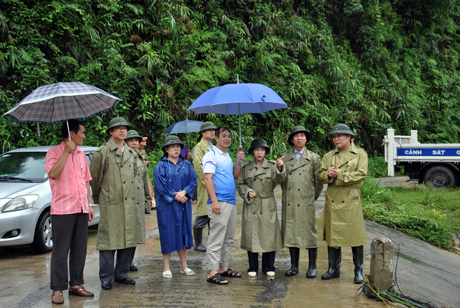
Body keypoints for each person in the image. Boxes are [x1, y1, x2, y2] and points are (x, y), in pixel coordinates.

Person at [45, 119, 95, 304]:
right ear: (71, 134)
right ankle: (57, 289)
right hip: (62, 210)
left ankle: (76, 284)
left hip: (81, 207)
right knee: (60, 250)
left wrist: (89, 206)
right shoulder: (54, 152)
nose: (84, 136)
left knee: (80, 249)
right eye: (82, 132)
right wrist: (66, 152)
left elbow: (86, 181)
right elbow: (53, 174)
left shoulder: (82, 154)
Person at [90, 117, 141, 290]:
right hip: (110, 202)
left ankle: (122, 273)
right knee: (108, 240)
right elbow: (94, 180)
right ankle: (106, 276)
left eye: (124, 128)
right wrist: (100, 198)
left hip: (129, 201)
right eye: (117, 128)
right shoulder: (102, 152)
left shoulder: (132, 153)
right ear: (110, 132)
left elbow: (135, 176)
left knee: (128, 238)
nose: (122, 130)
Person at [317, 123, 368, 283]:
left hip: (351, 197)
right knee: (333, 235)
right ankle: (333, 269)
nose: (336, 139)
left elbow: (361, 174)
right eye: (334, 136)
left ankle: (358, 270)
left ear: (349, 137)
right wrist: (329, 175)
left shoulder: (360, 154)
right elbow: (321, 174)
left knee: (355, 235)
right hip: (333, 196)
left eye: (339, 136)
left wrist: (340, 174)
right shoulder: (329, 155)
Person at [236, 138, 285, 278]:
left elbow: (281, 179)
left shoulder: (272, 166)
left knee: (269, 235)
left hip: (267, 203)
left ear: (265, 152)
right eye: (256, 150)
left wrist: (280, 168)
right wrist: (247, 192)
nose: (259, 152)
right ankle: (252, 267)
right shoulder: (246, 167)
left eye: (262, 150)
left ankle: (269, 266)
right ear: (252, 152)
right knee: (252, 235)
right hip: (252, 204)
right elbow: (240, 183)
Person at [203, 126, 245, 285]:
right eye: (224, 136)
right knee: (216, 238)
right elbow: (208, 179)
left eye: (229, 136)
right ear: (216, 138)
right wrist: (214, 201)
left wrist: (238, 162)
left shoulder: (226, 156)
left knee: (228, 238)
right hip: (218, 202)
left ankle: (223, 268)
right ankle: (212, 272)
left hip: (231, 201)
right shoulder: (211, 155)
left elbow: (234, 176)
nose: (227, 139)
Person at [281, 126, 324, 278]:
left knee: (309, 234)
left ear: (306, 139)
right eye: (296, 136)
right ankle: (294, 266)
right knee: (292, 232)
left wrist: (311, 198)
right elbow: (280, 180)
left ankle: (312, 266)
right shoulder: (284, 158)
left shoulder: (314, 158)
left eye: (302, 135)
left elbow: (318, 182)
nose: (299, 138)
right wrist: (279, 169)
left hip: (306, 202)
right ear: (292, 139)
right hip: (290, 202)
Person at [154, 136, 197, 278]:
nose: (176, 149)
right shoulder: (161, 166)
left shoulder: (186, 165)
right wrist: (175, 196)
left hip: (184, 204)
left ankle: (184, 265)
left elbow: (193, 180)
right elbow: (161, 186)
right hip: (167, 207)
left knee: (183, 232)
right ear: (166, 149)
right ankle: (166, 267)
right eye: (172, 147)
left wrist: (185, 192)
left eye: (178, 146)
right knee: (167, 233)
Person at [125, 129, 152, 272]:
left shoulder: (141, 157)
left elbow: (145, 181)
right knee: (126, 235)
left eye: (136, 140)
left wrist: (148, 200)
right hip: (127, 202)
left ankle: (129, 262)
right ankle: (123, 264)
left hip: (139, 200)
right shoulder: (123, 157)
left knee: (136, 234)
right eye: (131, 140)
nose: (134, 143)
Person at [192, 121, 217, 251]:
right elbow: (198, 166)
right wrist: (207, 182)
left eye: (213, 130)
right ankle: (198, 243)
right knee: (203, 214)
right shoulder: (199, 147)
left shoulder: (213, 146)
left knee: (212, 216)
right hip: (206, 184)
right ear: (202, 133)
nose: (212, 132)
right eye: (209, 130)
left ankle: (211, 242)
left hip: (214, 184)